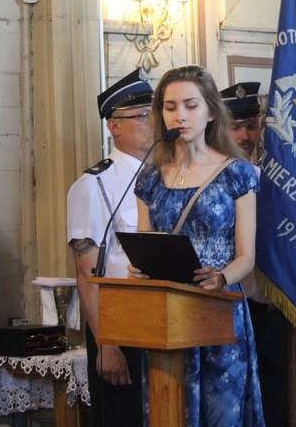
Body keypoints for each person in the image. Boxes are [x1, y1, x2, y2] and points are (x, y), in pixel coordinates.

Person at [128, 65, 265, 426]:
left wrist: (220, 277)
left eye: (190, 105)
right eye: (170, 107)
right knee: (170, 413)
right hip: (167, 319)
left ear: (209, 112)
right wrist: (137, 268)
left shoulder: (237, 172)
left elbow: (247, 256)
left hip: (218, 312)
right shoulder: (150, 176)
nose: (180, 115)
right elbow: (146, 243)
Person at [66, 69, 153, 426]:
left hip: (165, 317)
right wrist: (106, 343)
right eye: (142, 116)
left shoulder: (169, 177)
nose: (153, 122)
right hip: (120, 322)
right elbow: (87, 272)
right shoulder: (94, 185)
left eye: (154, 113)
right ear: (114, 126)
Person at [223, 81, 288, 425]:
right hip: (231, 300)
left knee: (274, 389)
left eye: (252, 125)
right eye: (236, 127)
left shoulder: (268, 176)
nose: (246, 135)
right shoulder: (216, 177)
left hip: (268, 301)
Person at [221, 81, 263, 161]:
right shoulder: (216, 172)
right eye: (235, 128)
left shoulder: (261, 170)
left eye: (251, 127)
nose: (245, 136)